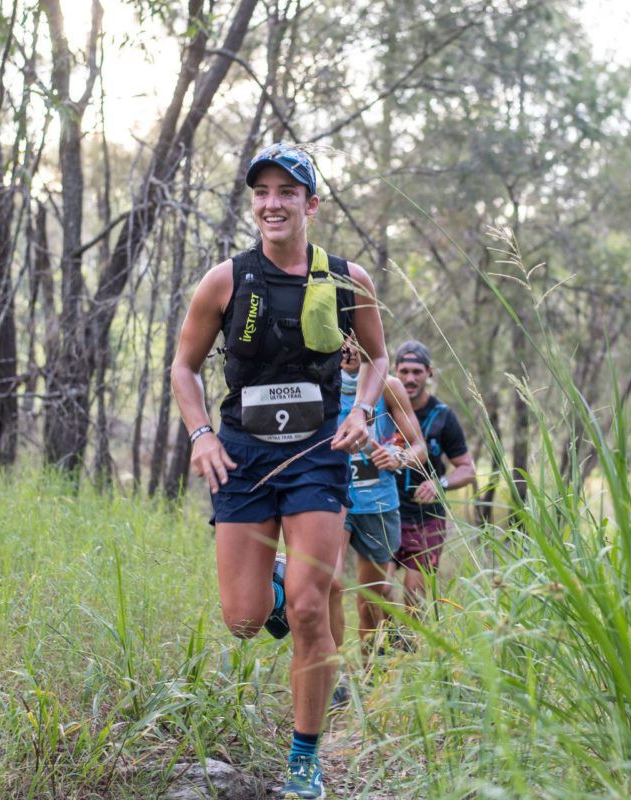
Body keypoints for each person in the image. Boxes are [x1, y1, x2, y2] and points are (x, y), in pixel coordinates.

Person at [170, 142, 387, 800]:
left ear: (310, 204)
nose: (272, 203)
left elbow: (375, 361)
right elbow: (184, 367)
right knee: (242, 619)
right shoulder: (227, 281)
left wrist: (365, 414)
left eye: (286, 192)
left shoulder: (348, 279)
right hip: (242, 454)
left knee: (311, 613)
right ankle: (283, 575)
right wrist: (201, 433)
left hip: (319, 453)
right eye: (261, 192)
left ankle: (305, 763)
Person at [328, 339, 427, 663]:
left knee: (372, 599)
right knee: (331, 582)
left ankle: (370, 672)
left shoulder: (390, 386)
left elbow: (418, 447)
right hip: (333, 499)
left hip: (378, 503)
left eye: (355, 339)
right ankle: (334, 672)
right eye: (342, 339)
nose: (349, 347)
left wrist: (398, 457)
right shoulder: (319, 378)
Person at [390, 340, 476, 614]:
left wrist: (441, 484)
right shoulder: (382, 409)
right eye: (404, 371)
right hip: (385, 514)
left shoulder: (443, 416)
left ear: (430, 372)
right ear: (394, 371)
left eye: (417, 371)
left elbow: (467, 468)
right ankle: (380, 644)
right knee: (376, 589)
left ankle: (409, 650)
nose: (410, 378)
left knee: (414, 593)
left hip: (426, 519)